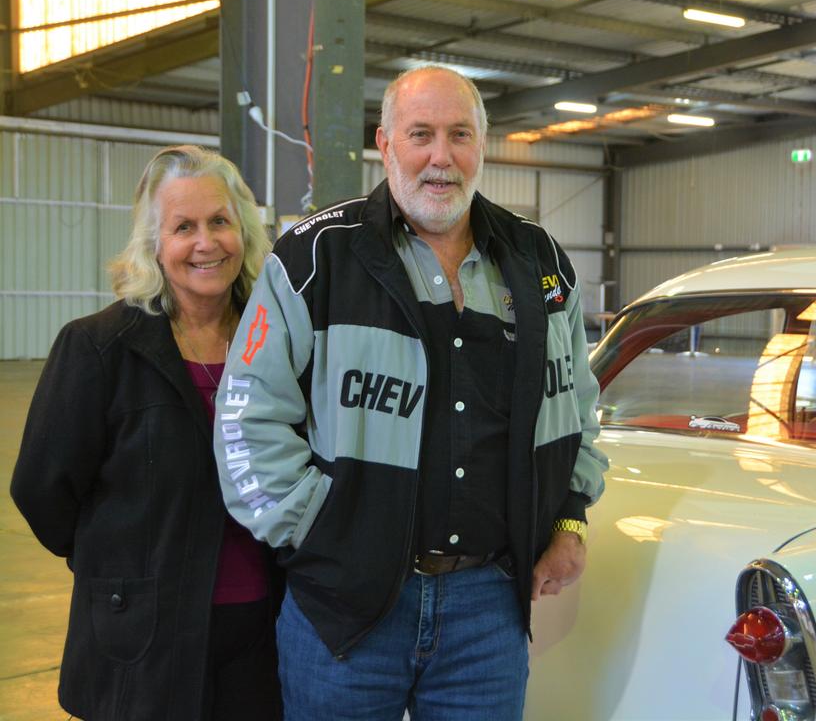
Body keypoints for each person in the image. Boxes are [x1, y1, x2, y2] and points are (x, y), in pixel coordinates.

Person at [214, 65, 608, 719]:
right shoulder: (315, 258)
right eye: (420, 134)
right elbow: (244, 423)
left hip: (488, 612)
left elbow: (574, 408)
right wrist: (328, 534)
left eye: (460, 135)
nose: (440, 156)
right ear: (385, 144)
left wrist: (568, 515)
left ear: (482, 146)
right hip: (346, 612)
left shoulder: (541, 264)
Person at [11, 145, 282, 721]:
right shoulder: (98, 349)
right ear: (154, 244)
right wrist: (117, 567)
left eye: (220, 222)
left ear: (245, 233)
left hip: (262, 633)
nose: (206, 243)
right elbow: (42, 487)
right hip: (142, 638)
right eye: (183, 227)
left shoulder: (279, 344)